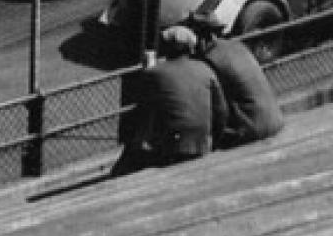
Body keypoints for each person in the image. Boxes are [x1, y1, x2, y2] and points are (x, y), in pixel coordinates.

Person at [112, 25, 226, 176]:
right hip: (203, 143)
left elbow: (143, 107)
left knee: (132, 155)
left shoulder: (156, 73)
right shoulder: (205, 69)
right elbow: (221, 111)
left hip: (173, 147)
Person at [187, 13, 285, 148]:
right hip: (277, 120)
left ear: (199, 37)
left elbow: (218, 107)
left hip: (253, 129)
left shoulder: (210, 58)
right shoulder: (237, 45)